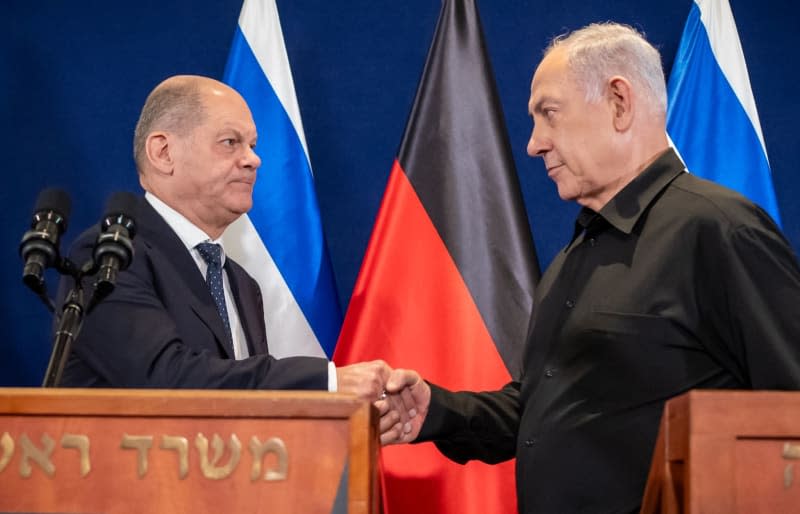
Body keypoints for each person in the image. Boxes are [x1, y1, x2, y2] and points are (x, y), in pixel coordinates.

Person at [379, 22, 800, 513]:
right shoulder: (571, 259)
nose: (534, 144)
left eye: (549, 115)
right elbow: (540, 414)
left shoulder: (720, 230)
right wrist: (438, 411)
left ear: (619, 102)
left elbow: (788, 416)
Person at [56, 75, 393, 405]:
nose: (254, 159)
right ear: (163, 153)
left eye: (253, 145)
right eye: (230, 142)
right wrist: (328, 381)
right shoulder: (111, 256)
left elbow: (247, 404)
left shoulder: (242, 284)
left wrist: (348, 415)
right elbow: (164, 378)